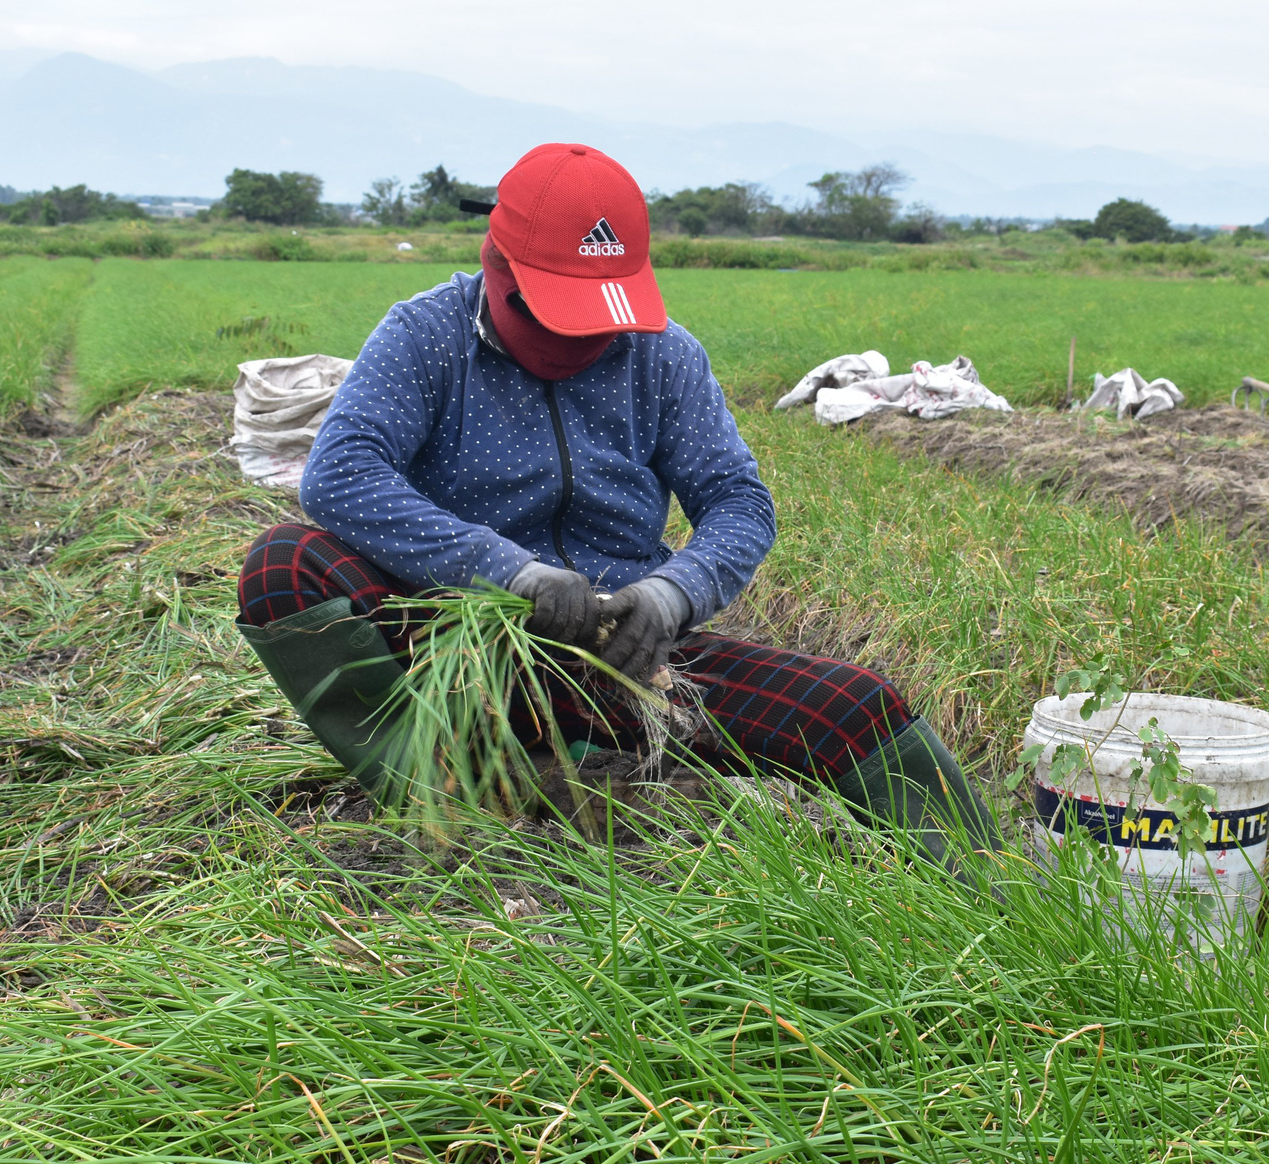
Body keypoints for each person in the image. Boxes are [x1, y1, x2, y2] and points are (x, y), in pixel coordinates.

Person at [235, 142, 996, 860]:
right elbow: (338, 474)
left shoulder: (662, 354)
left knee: (855, 706)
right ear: (497, 265)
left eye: (600, 318)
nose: (583, 342)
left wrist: (669, 596)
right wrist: (510, 573)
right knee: (283, 565)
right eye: (558, 314)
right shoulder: (426, 337)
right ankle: (450, 787)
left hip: (629, 660)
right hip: (462, 649)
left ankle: (992, 880)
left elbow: (740, 502)